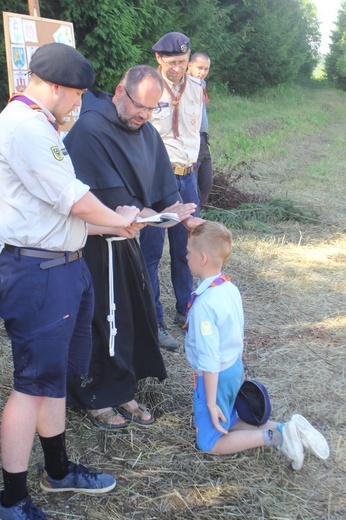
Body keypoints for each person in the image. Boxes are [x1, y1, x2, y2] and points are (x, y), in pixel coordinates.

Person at [0, 43, 141, 520]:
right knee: (31, 385)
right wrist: (113, 219)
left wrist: (120, 222)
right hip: (38, 271)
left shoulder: (42, 124)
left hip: (62, 264)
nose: (79, 103)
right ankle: (13, 499)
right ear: (55, 87)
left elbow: (66, 211)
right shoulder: (23, 127)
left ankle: (57, 471)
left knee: (53, 377)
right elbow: (76, 200)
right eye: (77, 95)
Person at [64, 65, 200, 429]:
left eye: (152, 109)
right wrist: (137, 213)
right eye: (139, 106)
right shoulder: (91, 129)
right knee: (97, 320)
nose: (143, 115)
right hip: (91, 244)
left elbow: (159, 187)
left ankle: (121, 388)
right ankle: (93, 395)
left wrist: (176, 212)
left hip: (126, 242)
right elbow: (96, 196)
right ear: (119, 92)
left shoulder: (144, 130)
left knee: (125, 317)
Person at [184, 221, 330, 467]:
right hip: (232, 368)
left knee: (210, 442)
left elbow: (209, 358)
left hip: (216, 375)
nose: (184, 255)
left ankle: (275, 435)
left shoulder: (205, 305)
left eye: (187, 252)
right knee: (228, 418)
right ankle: (291, 428)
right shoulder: (228, 288)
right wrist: (238, 368)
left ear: (202, 258)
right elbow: (236, 331)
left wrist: (210, 401)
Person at [140, 32, 204, 351]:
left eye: (183, 61)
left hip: (187, 177)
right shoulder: (147, 88)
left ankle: (186, 311)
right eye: (172, 62)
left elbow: (197, 134)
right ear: (159, 59)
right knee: (151, 254)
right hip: (156, 181)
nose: (178, 68)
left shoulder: (197, 87)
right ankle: (156, 321)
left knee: (185, 250)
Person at [187, 52, 213, 208]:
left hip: (203, 138)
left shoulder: (202, 84)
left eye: (206, 69)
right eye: (199, 68)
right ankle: (191, 219)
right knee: (192, 184)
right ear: (190, 65)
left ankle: (199, 213)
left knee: (207, 181)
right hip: (191, 138)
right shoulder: (183, 84)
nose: (202, 72)